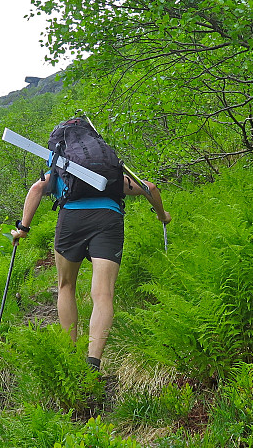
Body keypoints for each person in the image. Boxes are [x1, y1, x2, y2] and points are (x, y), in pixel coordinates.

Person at [10, 141, 171, 372]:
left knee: (66, 286)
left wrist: (23, 229)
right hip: (108, 220)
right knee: (103, 292)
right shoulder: (110, 174)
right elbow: (151, 188)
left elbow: (36, 189)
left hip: (71, 222)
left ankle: (72, 355)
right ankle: (93, 362)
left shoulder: (61, 168)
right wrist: (162, 215)